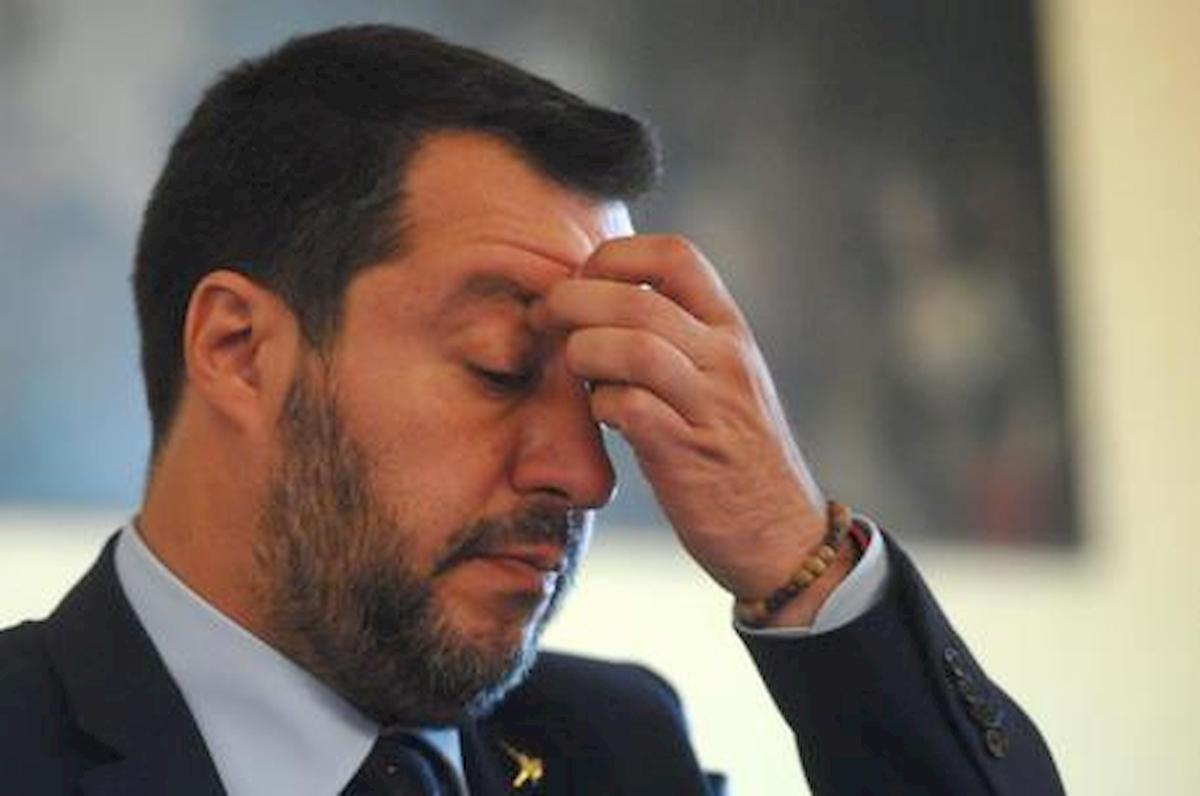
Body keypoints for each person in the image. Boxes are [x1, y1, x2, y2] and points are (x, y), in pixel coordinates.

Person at [0, 25, 1064, 795]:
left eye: (598, 396)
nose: (588, 476)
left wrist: (800, 557)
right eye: (502, 368)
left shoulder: (619, 749)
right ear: (238, 349)